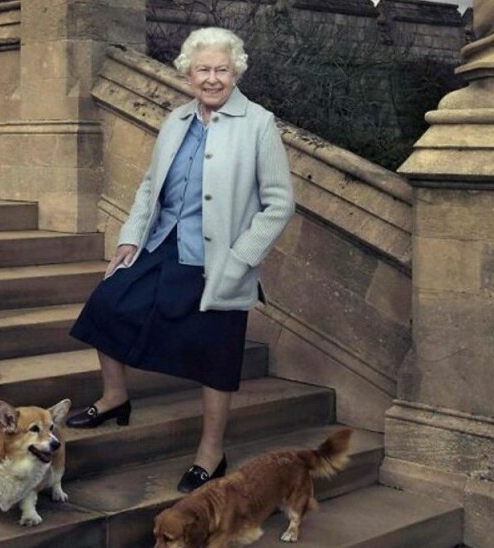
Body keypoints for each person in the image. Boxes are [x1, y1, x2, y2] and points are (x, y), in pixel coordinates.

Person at [65, 27, 295, 493]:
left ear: (236, 73)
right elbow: (151, 186)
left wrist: (242, 258)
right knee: (106, 305)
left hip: (218, 260)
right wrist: (130, 239)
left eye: (222, 70)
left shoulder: (258, 124)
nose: (212, 79)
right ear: (188, 73)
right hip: (162, 244)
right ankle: (114, 398)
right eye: (203, 70)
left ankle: (211, 453)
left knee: (216, 354)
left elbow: (279, 203)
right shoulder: (176, 121)